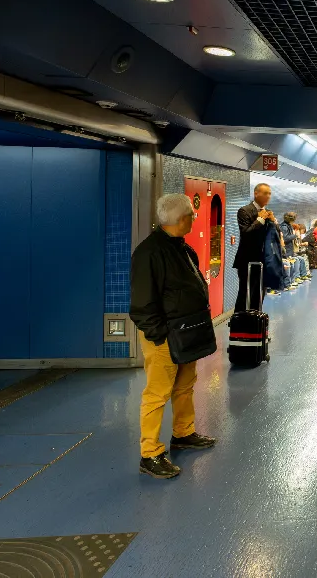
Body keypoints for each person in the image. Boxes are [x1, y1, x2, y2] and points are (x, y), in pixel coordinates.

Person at [129, 193, 218, 479]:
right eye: (192, 215)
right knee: (157, 394)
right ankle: (150, 453)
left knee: (184, 385)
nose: (194, 219)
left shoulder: (181, 247)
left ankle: (183, 433)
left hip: (185, 333)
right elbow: (142, 304)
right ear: (182, 219)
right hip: (165, 338)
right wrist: (159, 337)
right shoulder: (150, 253)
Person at [234, 184, 275, 311]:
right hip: (247, 260)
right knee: (246, 293)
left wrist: (273, 222)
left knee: (260, 293)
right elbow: (246, 233)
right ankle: (240, 323)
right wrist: (260, 219)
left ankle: (255, 321)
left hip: (263, 260)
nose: (268, 196)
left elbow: (274, 235)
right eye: (265, 193)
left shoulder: (268, 213)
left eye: (269, 193)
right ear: (256, 193)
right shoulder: (244, 211)